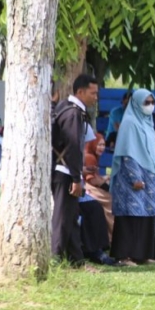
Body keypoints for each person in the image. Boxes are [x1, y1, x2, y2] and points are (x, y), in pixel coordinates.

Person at [51, 74, 99, 266]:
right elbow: (72, 147)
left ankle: (76, 262)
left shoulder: (68, 109)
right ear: (80, 92)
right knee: (63, 218)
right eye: (92, 93)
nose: (95, 97)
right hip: (64, 172)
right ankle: (55, 260)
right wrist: (76, 178)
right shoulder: (73, 113)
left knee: (70, 217)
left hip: (64, 170)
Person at [110, 89, 155, 267]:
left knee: (146, 214)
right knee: (129, 215)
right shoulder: (130, 122)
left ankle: (142, 254)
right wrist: (134, 178)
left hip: (149, 175)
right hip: (132, 176)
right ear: (136, 103)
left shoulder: (148, 122)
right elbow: (127, 153)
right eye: (146, 103)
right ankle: (123, 256)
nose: (150, 106)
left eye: (152, 102)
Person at [83, 133, 114, 239]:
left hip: (89, 187)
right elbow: (92, 180)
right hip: (88, 189)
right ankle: (113, 237)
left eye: (103, 145)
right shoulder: (90, 157)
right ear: (93, 144)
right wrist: (105, 178)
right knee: (111, 201)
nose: (102, 148)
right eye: (99, 145)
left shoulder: (92, 156)